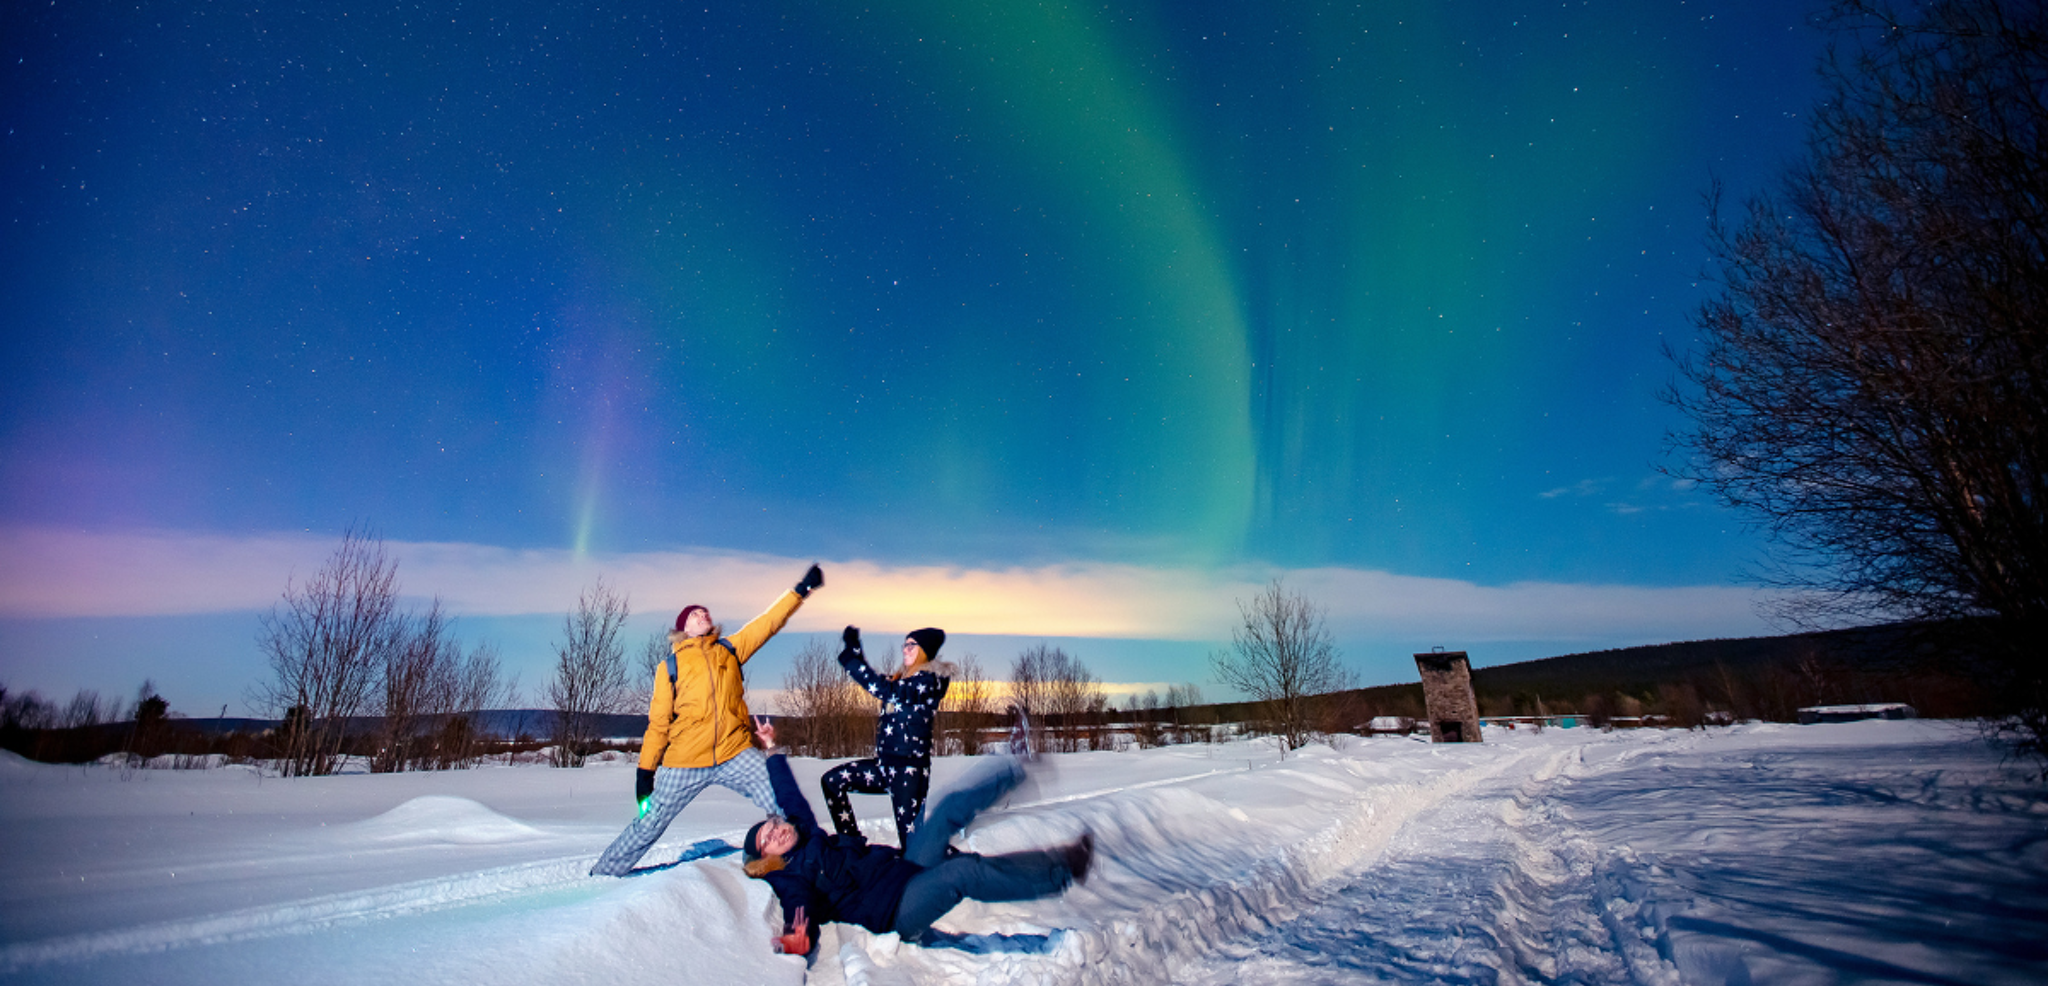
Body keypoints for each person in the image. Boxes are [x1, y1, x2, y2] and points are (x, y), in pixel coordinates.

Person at [744, 718, 1090, 957]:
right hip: (894, 913)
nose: (776, 831)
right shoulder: (792, 875)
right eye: (768, 839)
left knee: (945, 810)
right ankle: (1063, 868)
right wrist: (796, 939)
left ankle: (1016, 764)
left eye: (772, 825)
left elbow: (788, 795)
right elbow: (798, 908)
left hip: (902, 871)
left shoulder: (804, 832)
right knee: (963, 872)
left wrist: (771, 748)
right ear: (766, 858)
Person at [587, 563, 825, 877]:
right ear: (684, 627)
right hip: (684, 761)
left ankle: (810, 863)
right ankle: (603, 874)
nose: (703, 615)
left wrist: (801, 590)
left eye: (705, 612)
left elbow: (767, 623)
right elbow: (658, 724)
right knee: (649, 823)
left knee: (783, 800)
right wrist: (645, 773)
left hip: (734, 753)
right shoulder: (669, 666)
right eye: (695, 614)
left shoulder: (729, 650)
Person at [821, 625, 952, 845]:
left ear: (925, 650)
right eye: (905, 644)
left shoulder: (929, 682)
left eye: (912, 645)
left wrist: (851, 661)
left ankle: (951, 872)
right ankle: (851, 847)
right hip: (884, 767)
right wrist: (855, 651)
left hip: (909, 772)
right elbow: (877, 681)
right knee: (832, 781)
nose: (905, 649)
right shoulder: (902, 681)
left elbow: (883, 688)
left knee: (913, 847)